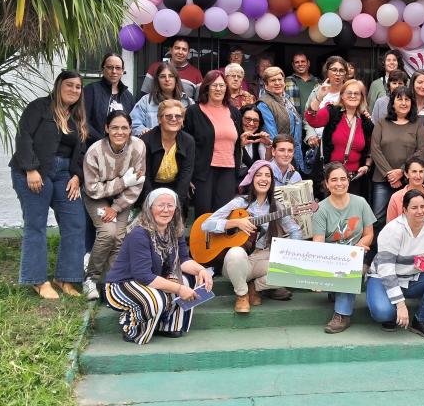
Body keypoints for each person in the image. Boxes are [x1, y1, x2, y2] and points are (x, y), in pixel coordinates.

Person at [9, 70, 88, 299]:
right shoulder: (39, 107)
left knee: (75, 222)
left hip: (64, 174)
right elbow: (23, 136)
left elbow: (80, 150)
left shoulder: (77, 116)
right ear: (58, 86)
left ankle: (65, 278)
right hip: (35, 171)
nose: (74, 90)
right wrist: (30, 168)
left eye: (78, 87)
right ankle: (38, 280)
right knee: (37, 225)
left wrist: (77, 176)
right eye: (69, 85)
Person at [104, 188, 213, 344]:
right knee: (156, 298)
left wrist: (201, 270)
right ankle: (132, 325)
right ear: (149, 208)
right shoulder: (139, 234)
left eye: (170, 205)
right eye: (160, 205)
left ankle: (168, 325)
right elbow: (143, 276)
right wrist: (179, 289)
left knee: (192, 278)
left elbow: (183, 260)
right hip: (122, 284)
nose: (166, 210)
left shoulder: (175, 230)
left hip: (150, 281)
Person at [202, 160, 303, 313]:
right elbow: (206, 225)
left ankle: (255, 287)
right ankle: (242, 295)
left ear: (272, 181)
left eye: (268, 176)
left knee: (295, 269)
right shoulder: (239, 203)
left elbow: (295, 230)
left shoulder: (277, 206)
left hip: (261, 258)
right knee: (236, 252)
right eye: (259, 175)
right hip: (236, 262)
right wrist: (236, 222)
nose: (263, 179)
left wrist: (292, 251)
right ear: (252, 179)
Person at [81, 111, 147, 300]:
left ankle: (114, 282)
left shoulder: (138, 146)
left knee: (119, 237)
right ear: (106, 129)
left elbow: (138, 183)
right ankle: (91, 278)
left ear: (130, 129)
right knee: (107, 233)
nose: (120, 132)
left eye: (124, 128)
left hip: (122, 199)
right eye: (115, 127)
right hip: (97, 198)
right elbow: (93, 189)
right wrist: (123, 182)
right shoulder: (94, 151)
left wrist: (116, 207)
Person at [367, 189, 424, 340]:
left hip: (413, 278)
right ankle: (390, 311)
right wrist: (400, 304)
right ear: (404, 210)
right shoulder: (392, 230)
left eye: (423, 207)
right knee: (383, 312)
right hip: (383, 278)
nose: (420, 211)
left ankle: (420, 321)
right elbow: (386, 270)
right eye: (414, 207)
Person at [313, 162, 376, 334]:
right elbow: (318, 243)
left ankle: (342, 315)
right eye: (334, 180)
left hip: (355, 256)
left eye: (343, 179)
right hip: (331, 259)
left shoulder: (361, 203)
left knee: (350, 267)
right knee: (342, 269)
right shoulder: (321, 210)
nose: (339, 183)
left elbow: (369, 234)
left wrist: (361, 245)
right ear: (326, 184)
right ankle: (333, 290)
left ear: (348, 181)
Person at [183, 70, 243, 218]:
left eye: (222, 85)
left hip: (228, 170)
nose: (218, 89)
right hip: (203, 171)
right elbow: (186, 146)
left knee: (223, 216)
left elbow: (238, 145)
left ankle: (220, 243)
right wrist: (189, 176)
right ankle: (201, 242)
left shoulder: (234, 112)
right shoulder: (193, 111)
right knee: (204, 214)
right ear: (206, 88)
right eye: (214, 85)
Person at [305, 78, 374, 197]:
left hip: (354, 179)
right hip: (331, 178)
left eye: (356, 93)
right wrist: (319, 97)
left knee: (352, 215)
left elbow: (370, 149)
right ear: (342, 95)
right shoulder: (332, 111)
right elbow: (312, 119)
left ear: (361, 97)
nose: (353, 96)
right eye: (349, 93)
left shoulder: (365, 121)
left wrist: (367, 166)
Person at [371, 86, 424, 230]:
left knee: (406, 217)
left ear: (411, 103)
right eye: (399, 99)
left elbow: (421, 151)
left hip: (408, 180)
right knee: (379, 218)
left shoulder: (417, 124)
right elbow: (375, 149)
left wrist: (401, 171)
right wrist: (390, 174)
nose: (403, 103)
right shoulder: (382, 123)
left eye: (407, 99)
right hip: (382, 179)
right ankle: (381, 252)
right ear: (392, 103)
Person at [140, 99, 195, 213]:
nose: (174, 119)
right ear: (159, 119)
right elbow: (145, 177)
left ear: (183, 119)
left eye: (178, 116)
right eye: (169, 116)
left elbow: (185, 176)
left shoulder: (188, 141)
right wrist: (152, 203)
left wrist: (176, 204)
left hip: (175, 189)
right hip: (150, 189)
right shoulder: (146, 141)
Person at [257, 66, 305, 172]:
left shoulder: (286, 99)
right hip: (278, 155)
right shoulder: (264, 103)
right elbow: (273, 135)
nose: (277, 83)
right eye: (273, 80)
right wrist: (284, 160)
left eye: (280, 79)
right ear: (266, 84)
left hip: (292, 152)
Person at [83, 53, 135, 146]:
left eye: (118, 68)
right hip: (94, 146)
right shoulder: (91, 90)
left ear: (122, 71)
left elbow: (131, 125)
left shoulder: (128, 96)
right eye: (110, 67)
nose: (114, 71)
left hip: (120, 149)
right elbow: (83, 121)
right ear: (103, 69)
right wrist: (102, 142)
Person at [130, 61, 194, 136]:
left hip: (181, 146)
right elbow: (133, 124)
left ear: (176, 79)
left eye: (171, 76)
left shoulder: (188, 102)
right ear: (157, 80)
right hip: (152, 145)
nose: (167, 79)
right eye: (163, 76)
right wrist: (144, 132)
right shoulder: (146, 101)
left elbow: (195, 128)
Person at [387, 157, 424, 229]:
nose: (418, 176)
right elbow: (390, 228)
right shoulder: (396, 198)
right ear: (406, 174)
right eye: (414, 171)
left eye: (421, 171)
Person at [239, 105, 271, 172]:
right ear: (240, 118)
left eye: (255, 120)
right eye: (248, 119)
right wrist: (239, 146)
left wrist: (268, 146)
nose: (251, 123)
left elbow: (266, 165)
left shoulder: (260, 138)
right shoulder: (232, 138)